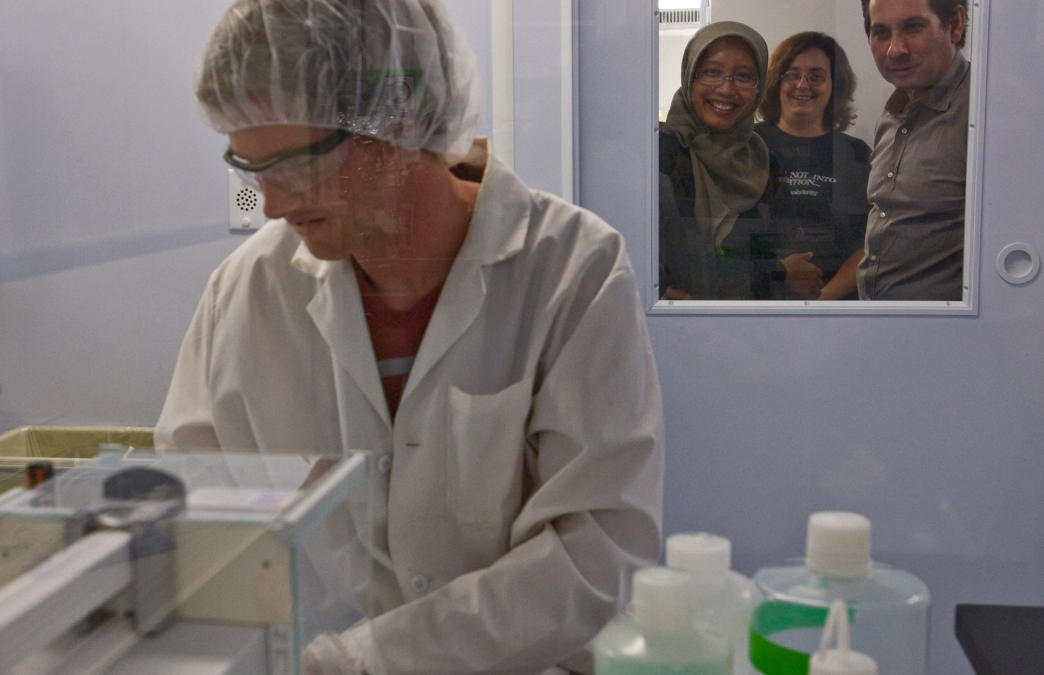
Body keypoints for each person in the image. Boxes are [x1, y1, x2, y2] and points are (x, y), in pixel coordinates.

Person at [156, 1, 664, 674]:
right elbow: (190, 518)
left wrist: (371, 658)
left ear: (394, 119)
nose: (270, 205)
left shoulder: (572, 270)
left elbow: (599, 551)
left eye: (290, 165)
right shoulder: (244, 295)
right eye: (250, 168)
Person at [658, 22, 791, 301]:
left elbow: (775, 255)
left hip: (746, 330)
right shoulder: (660, 153)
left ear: (759, 88)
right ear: (690, 75)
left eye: (743, 76)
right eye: (712, 72)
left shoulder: (764, 164)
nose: (726, 89)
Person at [857, 0, 970, 300]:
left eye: (913, 27)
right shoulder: (893, 112)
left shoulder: (984, 111)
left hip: (951, 336)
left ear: (955, 25)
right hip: (879, 328)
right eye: (881, 32)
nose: (895, 49)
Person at [756, 32, 872, 301]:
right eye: (792, 74)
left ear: (835, 85)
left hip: (836, 307)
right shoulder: (748, 145)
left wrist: (823, 299)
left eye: (816, 76)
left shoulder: (855, 153)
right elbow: (731, 234)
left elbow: (871, 241)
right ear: (776, 81)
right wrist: (779, 271)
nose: (802, 84)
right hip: (760, 302)